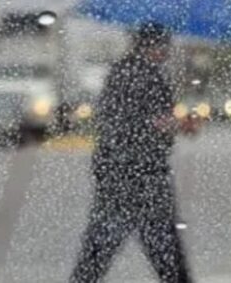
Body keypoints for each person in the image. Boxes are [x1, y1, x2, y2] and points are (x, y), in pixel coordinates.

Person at [70, 23, 198, 283]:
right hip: (139, 172)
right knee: (160, 242)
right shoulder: (140, 75)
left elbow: (123, 121)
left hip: (119, 169)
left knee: (104, 243)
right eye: (164, 45)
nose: (167, 51)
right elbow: (133, 123)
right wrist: (173, 124)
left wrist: (170, 124)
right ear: (151, 46)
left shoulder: (125, 71)